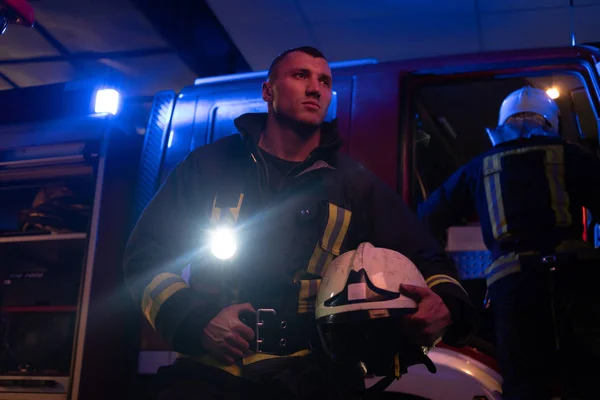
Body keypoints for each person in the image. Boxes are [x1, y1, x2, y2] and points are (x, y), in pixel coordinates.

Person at [123, 46, 476, 400]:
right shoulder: (209, 166)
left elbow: (425, 255)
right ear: (268, 91)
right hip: (214, 372)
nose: (315, 88)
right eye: (300, 76)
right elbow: (145, 257)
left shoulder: (354, 183)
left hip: (316, 376)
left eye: (324, 81)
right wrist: (197, 322)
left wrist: (446, 302)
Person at [418, 86, 600, 400]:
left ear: (503, 123)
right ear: (550, 121)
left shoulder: (479, 167)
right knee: (585, 378)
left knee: (523, 384)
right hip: (573, 284)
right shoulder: (570, 154)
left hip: (513, 290)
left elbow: (425, 217)